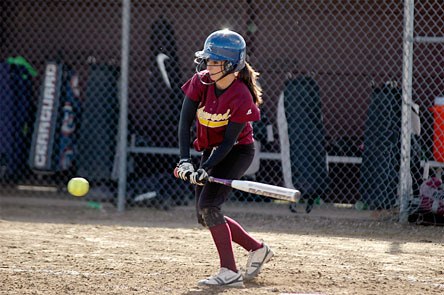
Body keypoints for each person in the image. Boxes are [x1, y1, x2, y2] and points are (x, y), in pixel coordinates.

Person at [176, 29, 274, 288]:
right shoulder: (200, 81)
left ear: (230, 65)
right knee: (204, 215)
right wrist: (185, 161)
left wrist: (206, 168)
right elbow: (185, 122)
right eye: (207, 60)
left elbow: (230, 142)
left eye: (214, 61)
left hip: (237, 152)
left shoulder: (242, 95)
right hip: (210, 150)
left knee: (209, 207)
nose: (207, 65)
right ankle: (257, 249)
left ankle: (229, 272)